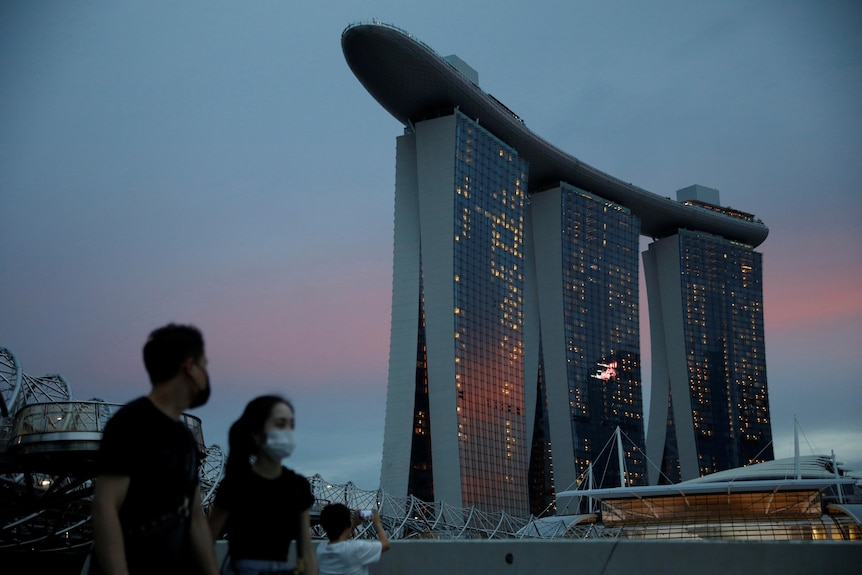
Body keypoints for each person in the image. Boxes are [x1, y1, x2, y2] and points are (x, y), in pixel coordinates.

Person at [90, 323, 218, 575]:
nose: (206, 374)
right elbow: (105, 506)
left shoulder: (185, 438)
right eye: (205, 365)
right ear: (190, 368)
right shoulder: (131, 422)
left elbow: (194, 516)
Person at [208, 395, 318, 575]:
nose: (288, 432)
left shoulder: (299, 486)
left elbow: (306, 550)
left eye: (291, 425)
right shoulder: (235, 483)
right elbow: (206, 541)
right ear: (257, 433)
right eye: (280, 424)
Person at [316, 504, 390, 575]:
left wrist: (354, 523)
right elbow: (385, 544)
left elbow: (343, 535)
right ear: (347, 524)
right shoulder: (356, 548)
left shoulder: (321, 549)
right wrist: (377, 522)